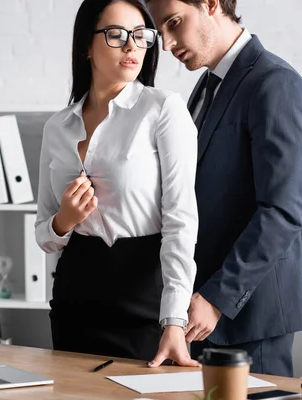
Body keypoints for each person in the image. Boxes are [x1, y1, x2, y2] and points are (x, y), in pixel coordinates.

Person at [35, 0, 199, 366]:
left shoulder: (163, 110)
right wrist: (64, 219)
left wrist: (175, 320)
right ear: (85, 46)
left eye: (141, 36)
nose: (131, 46)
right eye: (116, 35)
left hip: (145, 299)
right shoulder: (56, 128)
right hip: (75, 296)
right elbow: (45, 234)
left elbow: (181, 220)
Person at [146, 0, 302, 376]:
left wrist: (217, 297)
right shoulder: (207, 84)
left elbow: (284, 209)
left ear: (211, 4)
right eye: (160, 29)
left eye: (174, 23)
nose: (166, 44)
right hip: (201, 311)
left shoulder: (275, 82)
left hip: (247, 317)